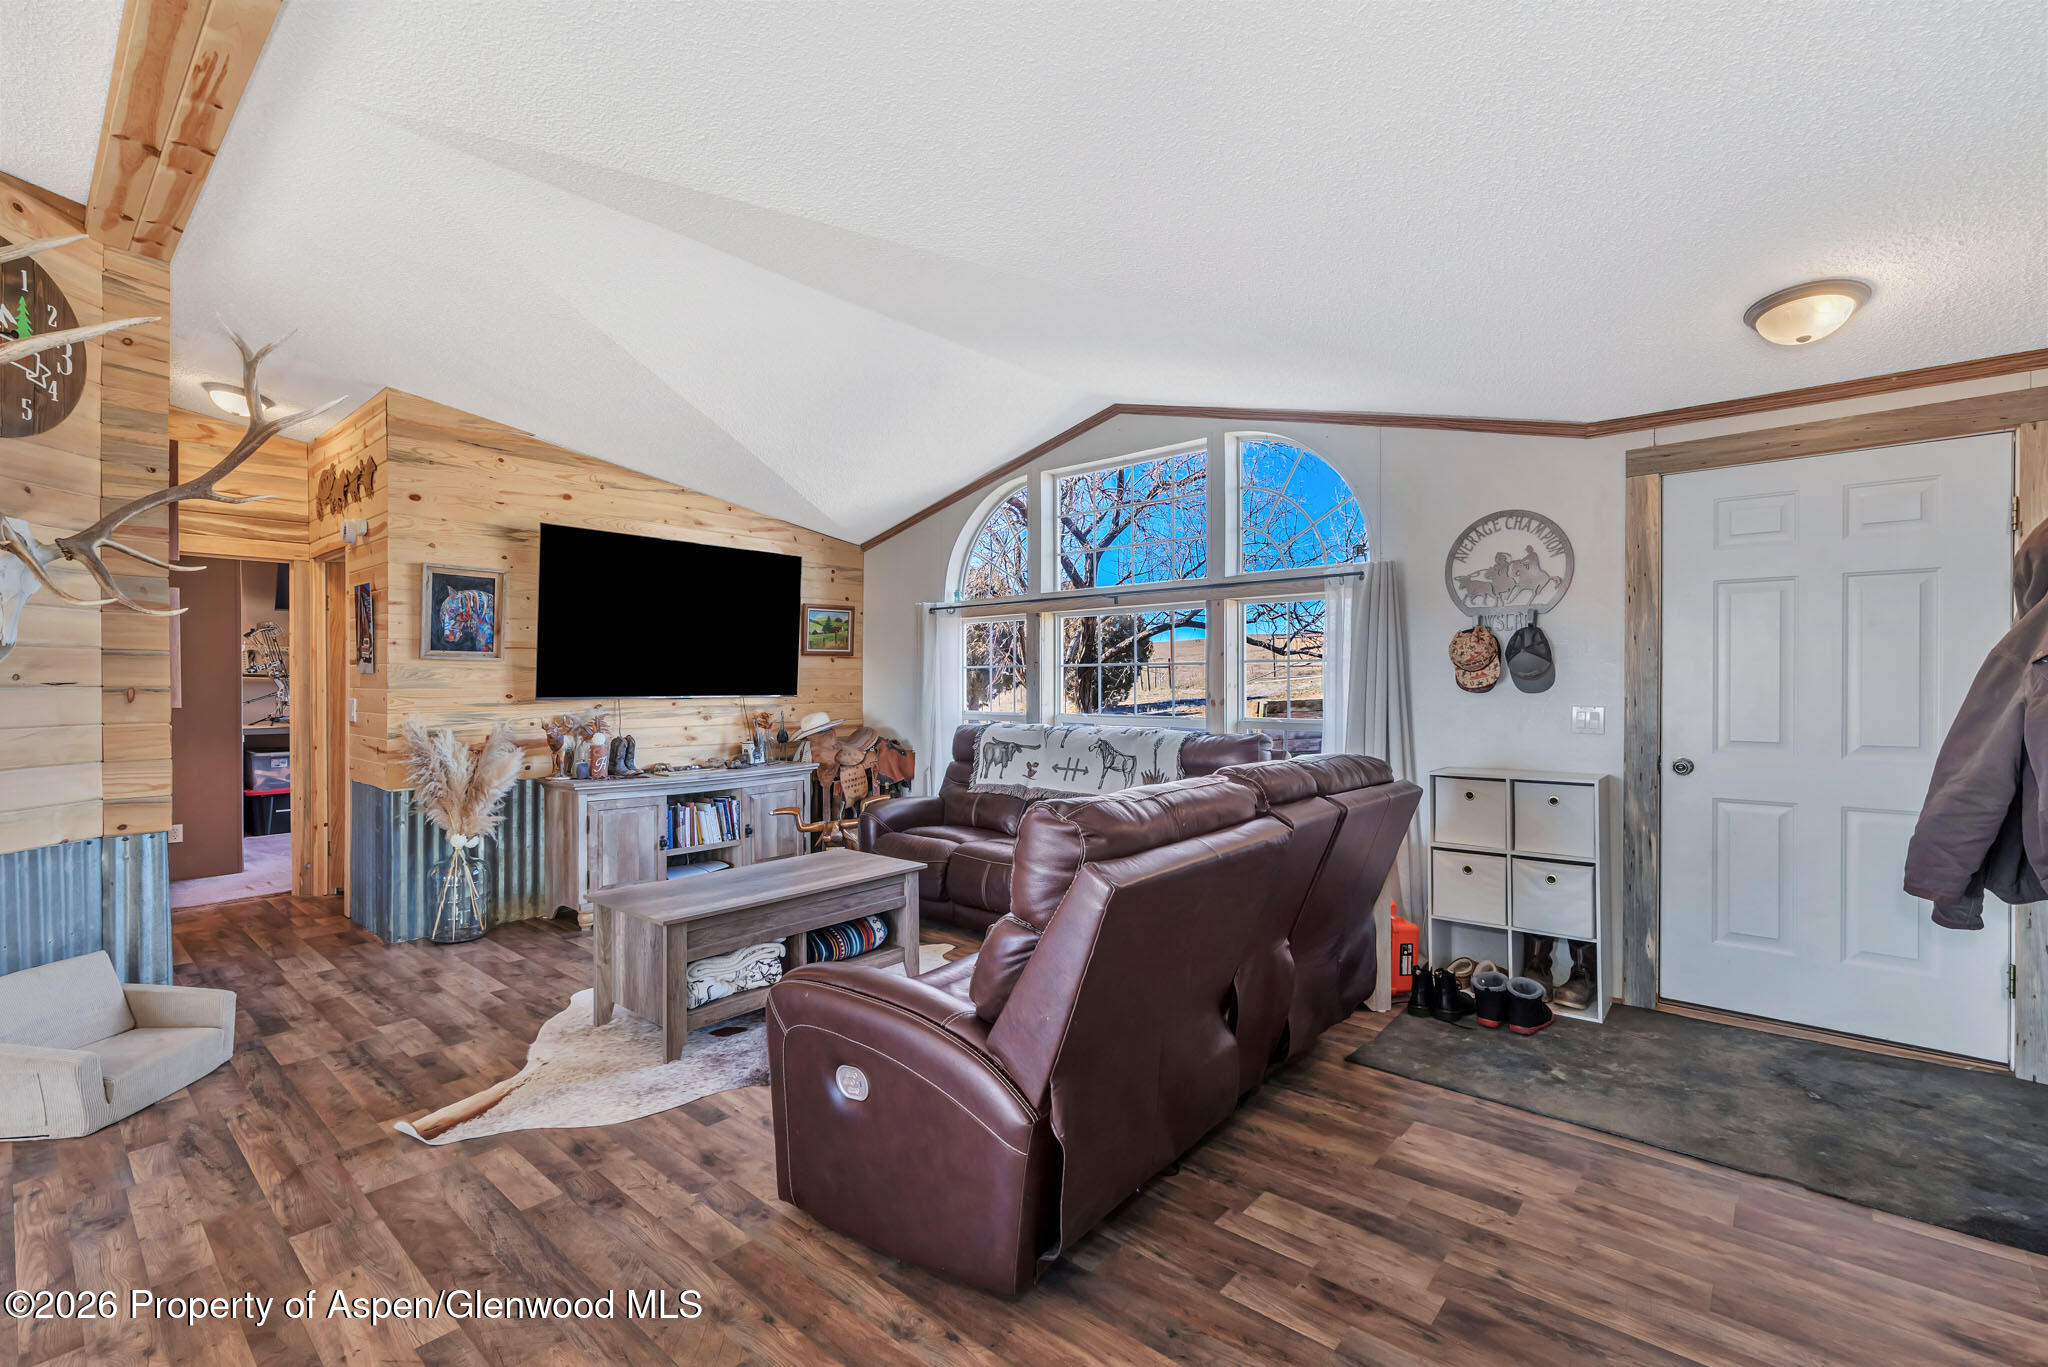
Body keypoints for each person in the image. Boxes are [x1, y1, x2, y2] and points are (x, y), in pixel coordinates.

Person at [1903, 521, 2048, 928]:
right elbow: (1980, 771)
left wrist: (1952, 893)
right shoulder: (2031, 646)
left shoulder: (2030, 645)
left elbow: (1975, 774)